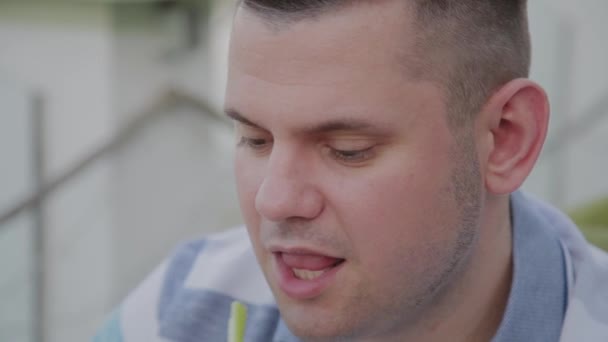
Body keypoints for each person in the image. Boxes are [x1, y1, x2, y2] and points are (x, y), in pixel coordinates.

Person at [94, 0, 608, 341]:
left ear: (505, 139)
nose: (274, 201)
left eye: (347, 149)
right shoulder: (180, 310)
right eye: (254, 139)